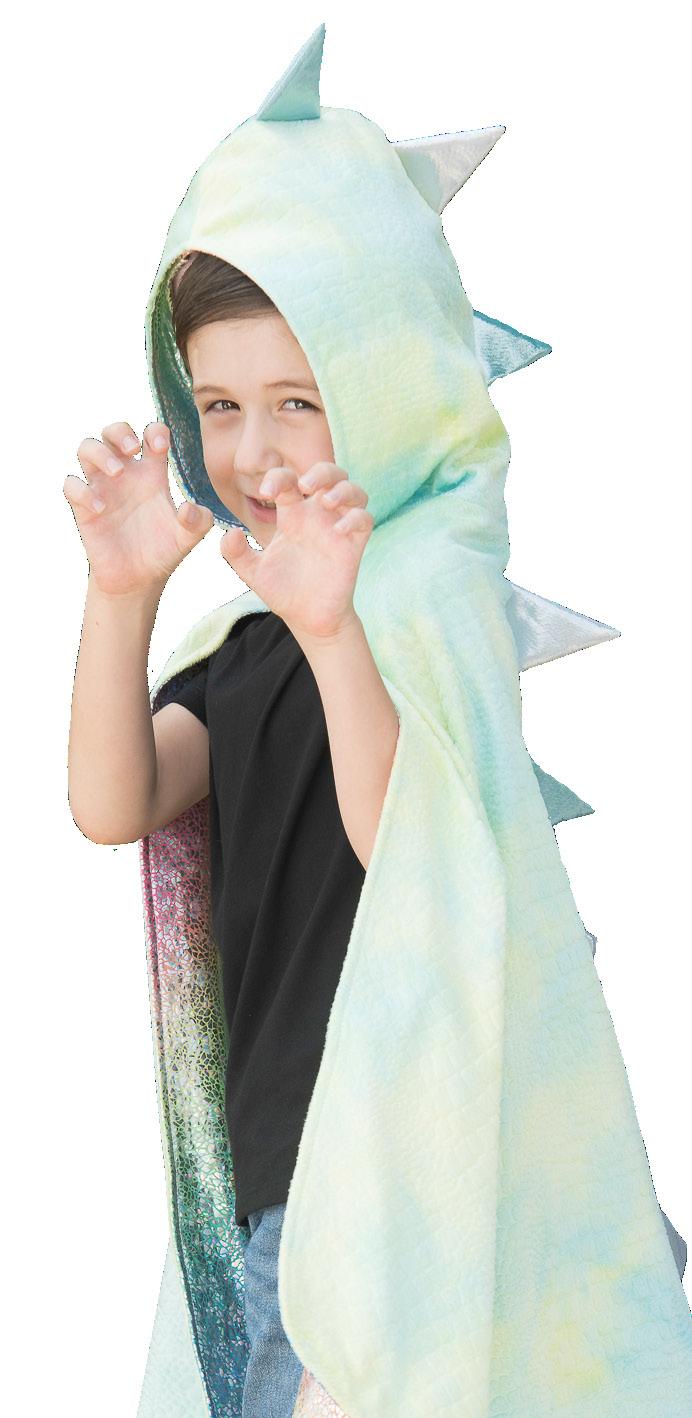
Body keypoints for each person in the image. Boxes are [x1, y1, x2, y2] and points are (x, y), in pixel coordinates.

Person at [65, 22, 692, 1418]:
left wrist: (337, 628)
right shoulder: (242, 635)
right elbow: (117, 801)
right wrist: (122, 595)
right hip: (271, 1191)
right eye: (219, 404)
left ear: (391, 382)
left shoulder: (426, 597)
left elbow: (411, 838)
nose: (253, 448)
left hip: (406, 1195)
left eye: (301, 399)